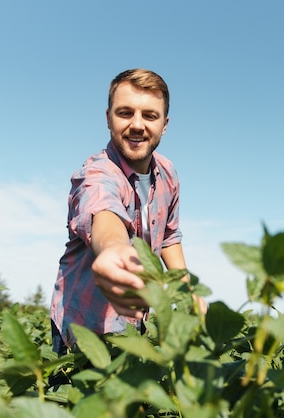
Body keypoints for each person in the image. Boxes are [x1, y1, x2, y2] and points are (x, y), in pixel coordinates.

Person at [50, 68, 201, 354]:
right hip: (83, 328)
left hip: (134, 326)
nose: (137, 125)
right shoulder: (96, 172)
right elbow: (103, 212)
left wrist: (186, 293)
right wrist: (113, 250)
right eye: (125, 113)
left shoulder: (168, 173)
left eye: (150, 115)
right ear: (108, 118)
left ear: (165, 124)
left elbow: (169, 236)